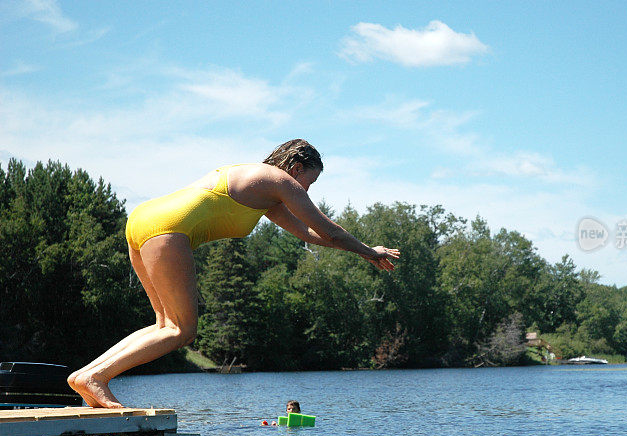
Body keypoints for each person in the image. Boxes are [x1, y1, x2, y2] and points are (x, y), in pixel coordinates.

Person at [68, 139, 400, 408]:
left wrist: (358, 250)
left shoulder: (262, 190)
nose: (306, 191)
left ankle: (87, 375)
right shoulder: (280, 181)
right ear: (296, 168)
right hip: (167, 230)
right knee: (182, 332)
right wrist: (372, 253)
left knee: (163, 325)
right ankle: (99, 377)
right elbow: (330, 229)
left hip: (143, 219)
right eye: (309, 182)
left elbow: (311, 235)